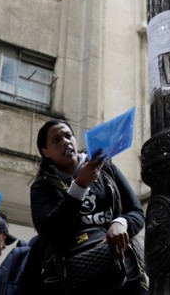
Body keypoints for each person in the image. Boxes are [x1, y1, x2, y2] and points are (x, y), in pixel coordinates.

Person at [30, 119, 148, 294]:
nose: (65, 141)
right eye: (56, 140)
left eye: (68, 135)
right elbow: (49, 231)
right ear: (45, 152)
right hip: (78, 279)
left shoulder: (106, 168)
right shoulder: (42, 187)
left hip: (126, 276)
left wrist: (121, 223)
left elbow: (137, 212)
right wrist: (80, 185)